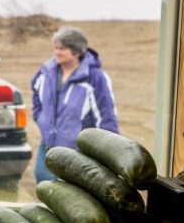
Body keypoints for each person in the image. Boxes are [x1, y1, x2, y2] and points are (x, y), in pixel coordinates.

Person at [31, 26, 119, 183]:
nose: (57, 52)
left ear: (76, 51)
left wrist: (109, 154)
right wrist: (41, 118)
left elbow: (106, 117)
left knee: (70, 193)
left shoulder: (95, 78)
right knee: (43, 181)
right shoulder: (46, 72)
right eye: (56, 48)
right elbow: (36, 96)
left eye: (62, 49)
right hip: (48, 144)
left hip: (77, 151)